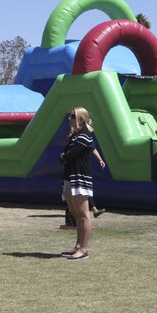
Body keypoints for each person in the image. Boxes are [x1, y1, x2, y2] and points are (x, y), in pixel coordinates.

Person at [59, 108, 96, 261]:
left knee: (83, 216)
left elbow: (69, 156)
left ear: (81, 118)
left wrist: (64, 156)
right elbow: (64, 155)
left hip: (80, 178)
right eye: (70, 116)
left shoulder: (83, 136)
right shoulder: (75, 135)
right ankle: (77, 246)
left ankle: (83, 249)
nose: (70, 118)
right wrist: (64, 156)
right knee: (76, 215)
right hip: (70, 178)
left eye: (73, 116)